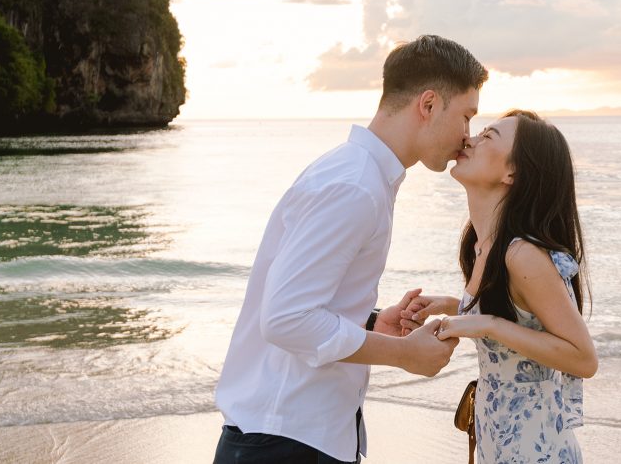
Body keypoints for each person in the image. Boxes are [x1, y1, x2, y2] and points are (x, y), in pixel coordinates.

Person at [213, 35, 489, 464]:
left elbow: (306, 301)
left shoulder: (360, 176)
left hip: (302, 433)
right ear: (429, 105)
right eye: (466, 116)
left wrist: (373, 321)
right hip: (284, 440)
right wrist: (403, 355)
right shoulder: (354, 186)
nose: (467, 136)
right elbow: (286, 319)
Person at [404, 110, 598, 463]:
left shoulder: (522, 254)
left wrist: (489, 325)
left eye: (488, 136)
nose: (469, 140)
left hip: (536, 451)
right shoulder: (483, 246)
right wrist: (451, 305)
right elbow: (518, 313)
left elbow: (583, 358)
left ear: (513, 172)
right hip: (501, 441)